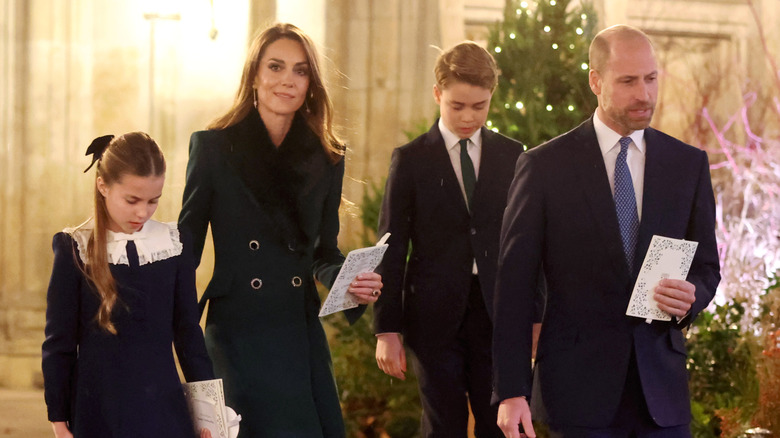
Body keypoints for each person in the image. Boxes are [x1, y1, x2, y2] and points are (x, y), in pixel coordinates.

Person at [492, 24, 721, 438]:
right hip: (576, 395)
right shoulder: (544, 167)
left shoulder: (688, 165)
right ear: (595, 81)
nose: (645, 94)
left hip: (662, 398)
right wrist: (510, 391)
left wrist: (692, 297)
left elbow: (706, 267)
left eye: (651, 79)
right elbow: (514, 285)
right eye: (628, 81)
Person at [178, 23, 383, 438]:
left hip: (295, 327)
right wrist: (162, 323)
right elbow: (187, 249)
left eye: (300, 70)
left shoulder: (327, 157)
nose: (287, 80)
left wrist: (352, 282)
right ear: (255, 74)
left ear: (311, 84)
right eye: (276, 66)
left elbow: (323, 252)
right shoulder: (214, 147)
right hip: (235, 328)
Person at [374, 41, 541, 438]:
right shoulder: (411, 159)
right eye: (456, 106)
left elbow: (529, 244)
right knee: (442, 423)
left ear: (491, 98)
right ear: (438, 95)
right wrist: (386, 330)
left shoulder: (513, 155)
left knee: (498, 421)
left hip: (497, 312)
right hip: (432, 315)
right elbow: (391, 247)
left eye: (479, 106)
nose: (468, 117)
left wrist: (536, 315)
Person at [42, 132, 215, 438]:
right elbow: (59, 344)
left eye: (153, 201)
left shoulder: (174, 244)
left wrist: (209, 415)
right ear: (103, 185)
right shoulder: (74, 247)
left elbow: (189, 335)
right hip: (97, 412)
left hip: (164, 411)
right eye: (132, 200)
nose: (143, 213)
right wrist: (59, 420)